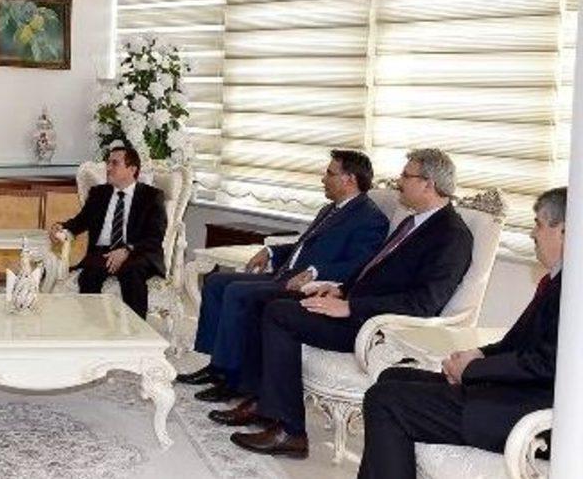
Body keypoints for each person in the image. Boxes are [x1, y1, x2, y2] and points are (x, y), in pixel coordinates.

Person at [214, 148, 473, 459]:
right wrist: (340, 290)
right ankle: (262, 403)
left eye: (406, 176)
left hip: (377, 328)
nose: (398, 182)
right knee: (270, 300)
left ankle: (290, 432)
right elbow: (372, 269)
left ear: (429, 184)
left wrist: (352, 307)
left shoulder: (451, 235)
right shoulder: (414, 222)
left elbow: (423, 303)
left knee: (279, 314)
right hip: (357, 308)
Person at [357, 187, 565, 479]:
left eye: (539, 225)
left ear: (565, 232)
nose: (532, 234)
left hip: (528, 412)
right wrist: (477, 354)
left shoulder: (572, 292)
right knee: (393, 376)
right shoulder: (559, 281)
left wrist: (472, 370)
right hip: (517, 392)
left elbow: (547, 364)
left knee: (385, 399)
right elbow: (519, 345)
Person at [177, 150, 389, 403]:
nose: (323, 179)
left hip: (307, 286)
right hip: (284, 275)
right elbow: (302, 247)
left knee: (236, 291)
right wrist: (270, 251)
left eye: (330, 173)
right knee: (215, 282)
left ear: (349, 179)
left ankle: (232, 379)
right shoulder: (330, 209)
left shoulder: (370, 218)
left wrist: (314, 272)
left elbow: (359, 265)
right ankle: (217, 365)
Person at [50, 146, 167, 318]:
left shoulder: (151, 196)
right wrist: (62, 227)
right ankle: (96, 327)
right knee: (89, 275)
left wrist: (127, 250)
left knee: (132, 273)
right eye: (108, 163)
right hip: (102, 252)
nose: (108, 167)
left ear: (132, 169)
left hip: (136, 252)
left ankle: (136, 330)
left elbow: (155, 236)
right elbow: (81, 221)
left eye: (115, 163)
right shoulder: (99, 193)